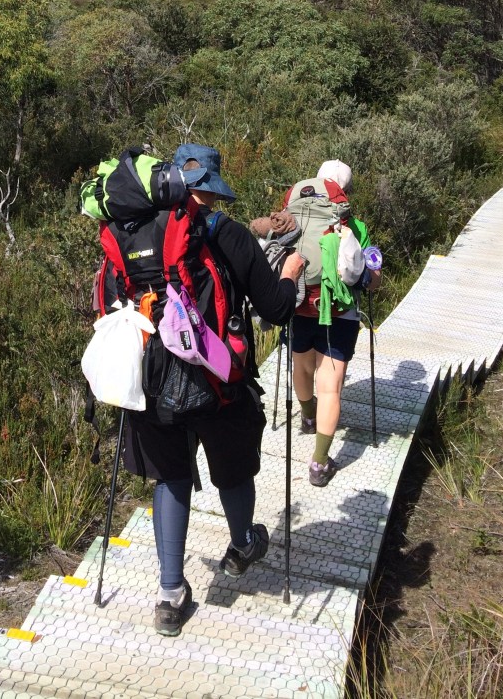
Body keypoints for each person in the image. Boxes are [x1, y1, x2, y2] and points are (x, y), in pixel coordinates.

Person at [120, 143, 304, 637]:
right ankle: (243, 543)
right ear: (211, 189)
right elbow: (277, 308)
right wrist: (290, 276)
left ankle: (169, 594)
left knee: (172, 479)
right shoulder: (232, 236)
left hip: (153, 383)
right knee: (233, 470)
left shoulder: (133, 233)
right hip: (218, 381)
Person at [282, 159, 380, 487]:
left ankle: (308, 418)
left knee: (302, 367)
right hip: (339, 314)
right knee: (330, 386)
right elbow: (371, 280)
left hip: (298, 307)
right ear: (345, 193)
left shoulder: (293, 218)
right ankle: (319, 464)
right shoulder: (358, 227)